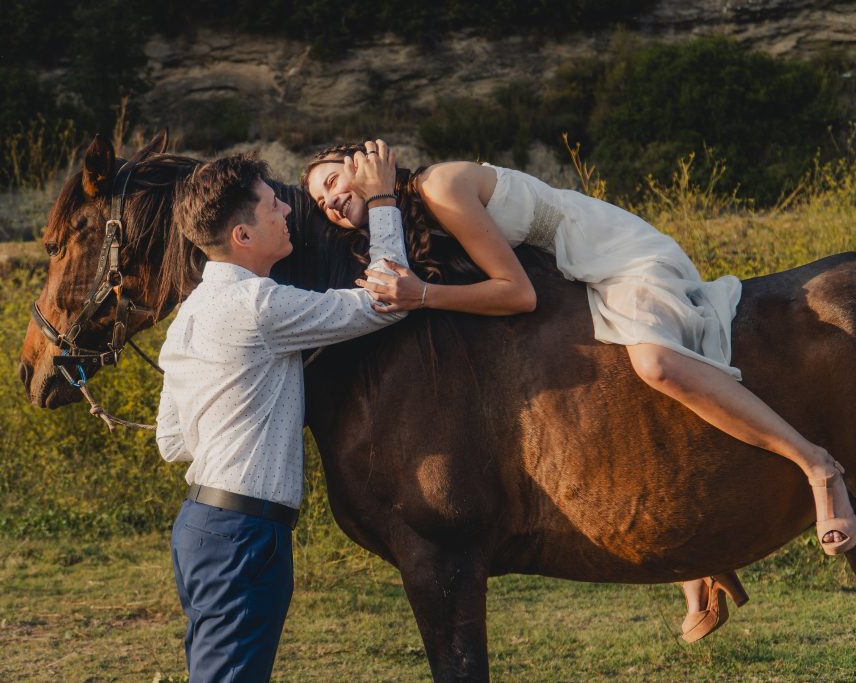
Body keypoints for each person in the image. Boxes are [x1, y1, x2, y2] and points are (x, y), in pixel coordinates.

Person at [303, 143, 856, 642]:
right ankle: (700, 555)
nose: (328, 201)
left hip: (618, 257)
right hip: (582, 273)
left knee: (657, 365)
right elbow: (393, 276)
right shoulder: (419, 213)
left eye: (330, 181)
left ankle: (815, 465)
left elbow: (515, 293)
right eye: (319, 199)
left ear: (363, 161)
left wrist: (419, 288)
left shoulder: (439, 187)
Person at [156, 142, 409, 682]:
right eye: (274, 205)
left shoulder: (187, 317)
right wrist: (384, 198)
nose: (290, 209)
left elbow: (172, 443)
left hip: (200, 528)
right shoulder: (259, 305)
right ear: (242, 236)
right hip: (246, 535)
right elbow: (385, 299)